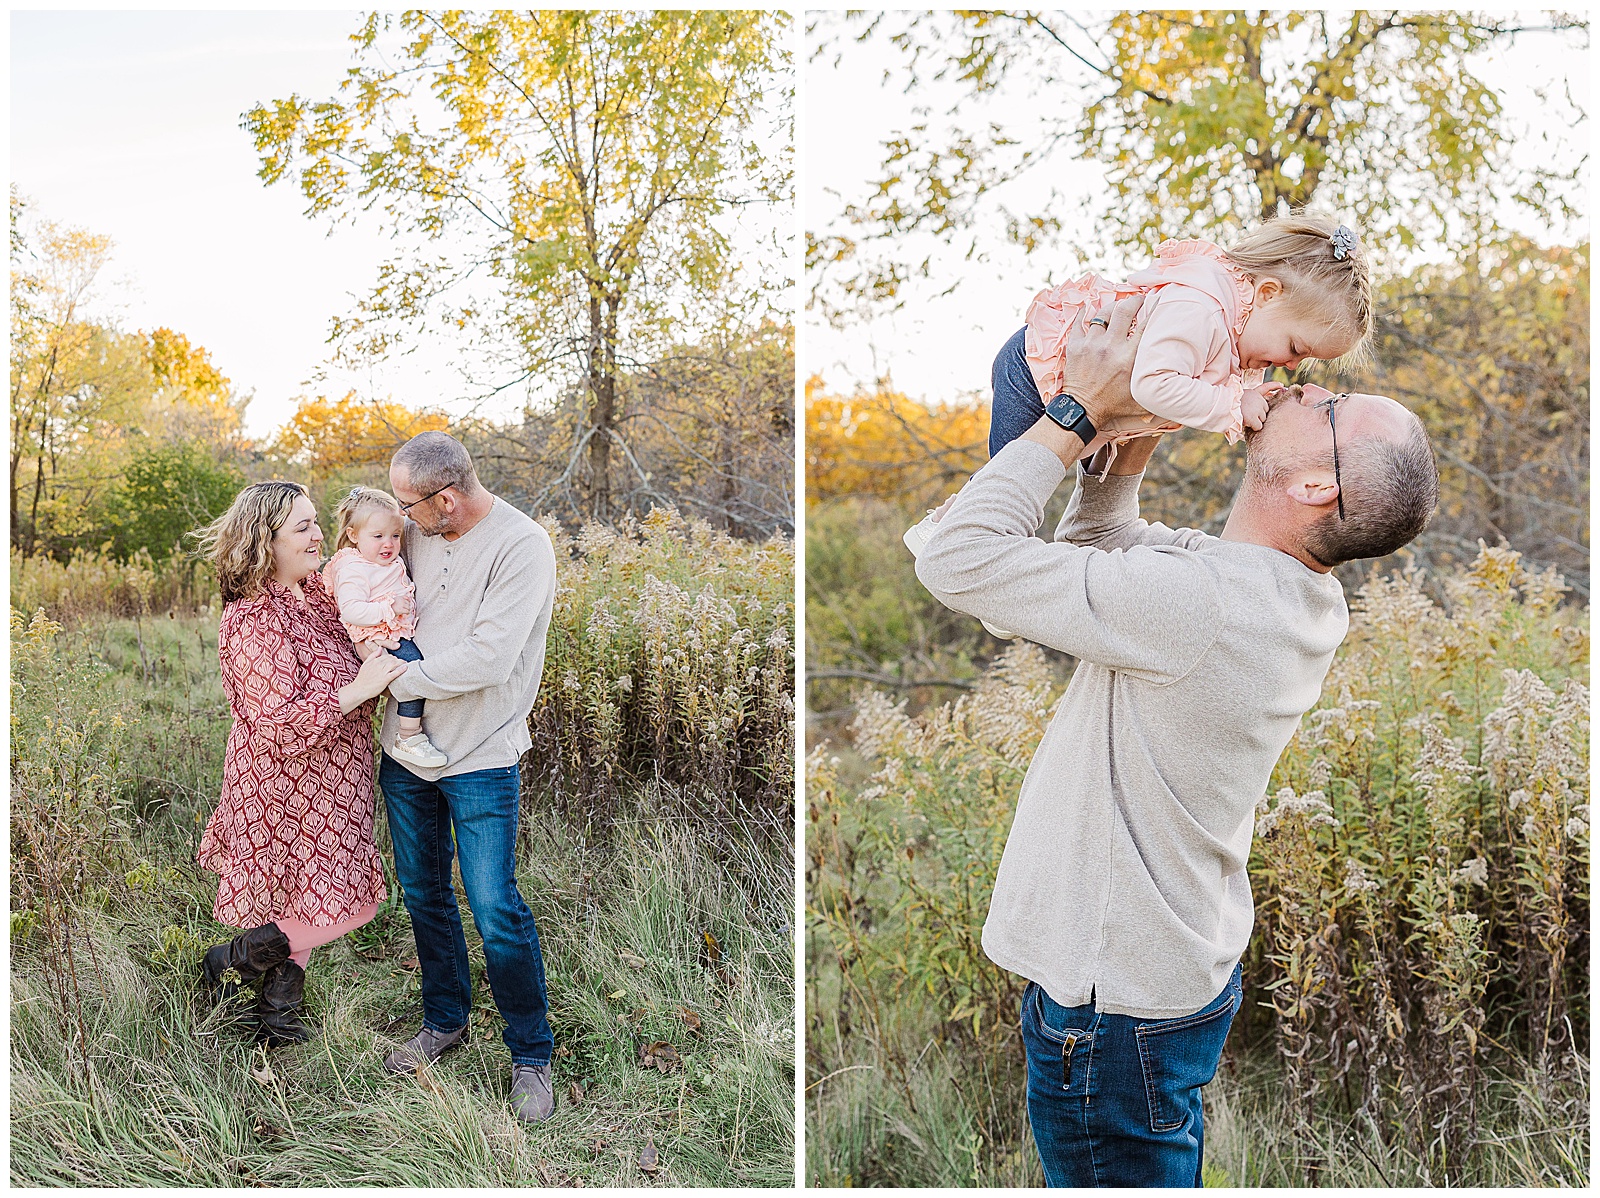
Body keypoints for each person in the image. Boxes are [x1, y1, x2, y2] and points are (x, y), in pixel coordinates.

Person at [914, 295, 1438, 1188]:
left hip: (1114, 1005)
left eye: (1327, 409)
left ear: (1318, 484)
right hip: (1168, 976)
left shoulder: (1204, 607)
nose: (1300, 387)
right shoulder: (1284, 591)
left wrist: (1074, 414)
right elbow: (1111, 550)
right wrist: (1140, 436)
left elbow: (955, 557)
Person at [906, 213, 1373, 638]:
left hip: (1086, 394)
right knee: (1012, 484)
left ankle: (963, 538)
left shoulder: (1238, 328)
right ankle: (946, 533)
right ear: (1267, 294)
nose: (1291, 367)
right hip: (1036, 369)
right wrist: (1233, 404)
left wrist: (1242, 396)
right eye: (1296, 347)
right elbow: (1153, 385)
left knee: (1027, 485)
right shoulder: (1202, 308)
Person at [375, 431, 560, 1125]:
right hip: (407, 755)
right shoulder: (417, 533)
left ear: (445, 499)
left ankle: (531, 1055)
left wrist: (393, 681)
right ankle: (445, 1021)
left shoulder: (522, 545)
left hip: (481, 754)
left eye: (408, 503)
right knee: (424, 895)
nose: (401, 516)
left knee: (495, 909)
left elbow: (489, 657)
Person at [194, 481, 409, 1046]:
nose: (318, 535)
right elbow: (278, 723)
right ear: (266, 540)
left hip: (337, 783)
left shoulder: (317, 593)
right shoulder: (252, 619)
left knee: (306, 894)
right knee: (343, 906)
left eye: (317, 522)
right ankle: (231, 959)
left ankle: (277, 1015)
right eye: (302, 527)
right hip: (284, 786)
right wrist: (357, 691)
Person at [322, 486, 448, 769]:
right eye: (377, 536)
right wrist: (389, 608)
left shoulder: (378, 560)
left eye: (394, 535)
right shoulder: (354, 568)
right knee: (411, 667)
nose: (388, 543)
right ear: (354, 535)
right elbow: (352, 610)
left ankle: (409, 733)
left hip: (391, 629)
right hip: (378, 634)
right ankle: (409, 736)